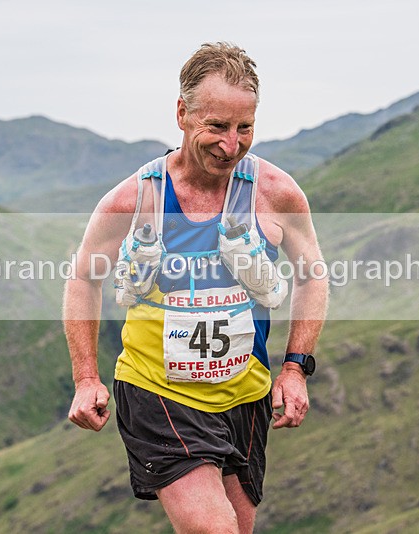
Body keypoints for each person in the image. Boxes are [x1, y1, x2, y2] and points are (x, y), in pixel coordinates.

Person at [64, 42, 328, 533]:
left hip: (244, 394)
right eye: (217, 127)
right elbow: (83, 277)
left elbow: (313, 274)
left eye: (244, 127)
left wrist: (295, 368)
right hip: (158, 390)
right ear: (182, 114)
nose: (231, 145)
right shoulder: (134, 198)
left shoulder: (275, 193)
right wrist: (86, 377)